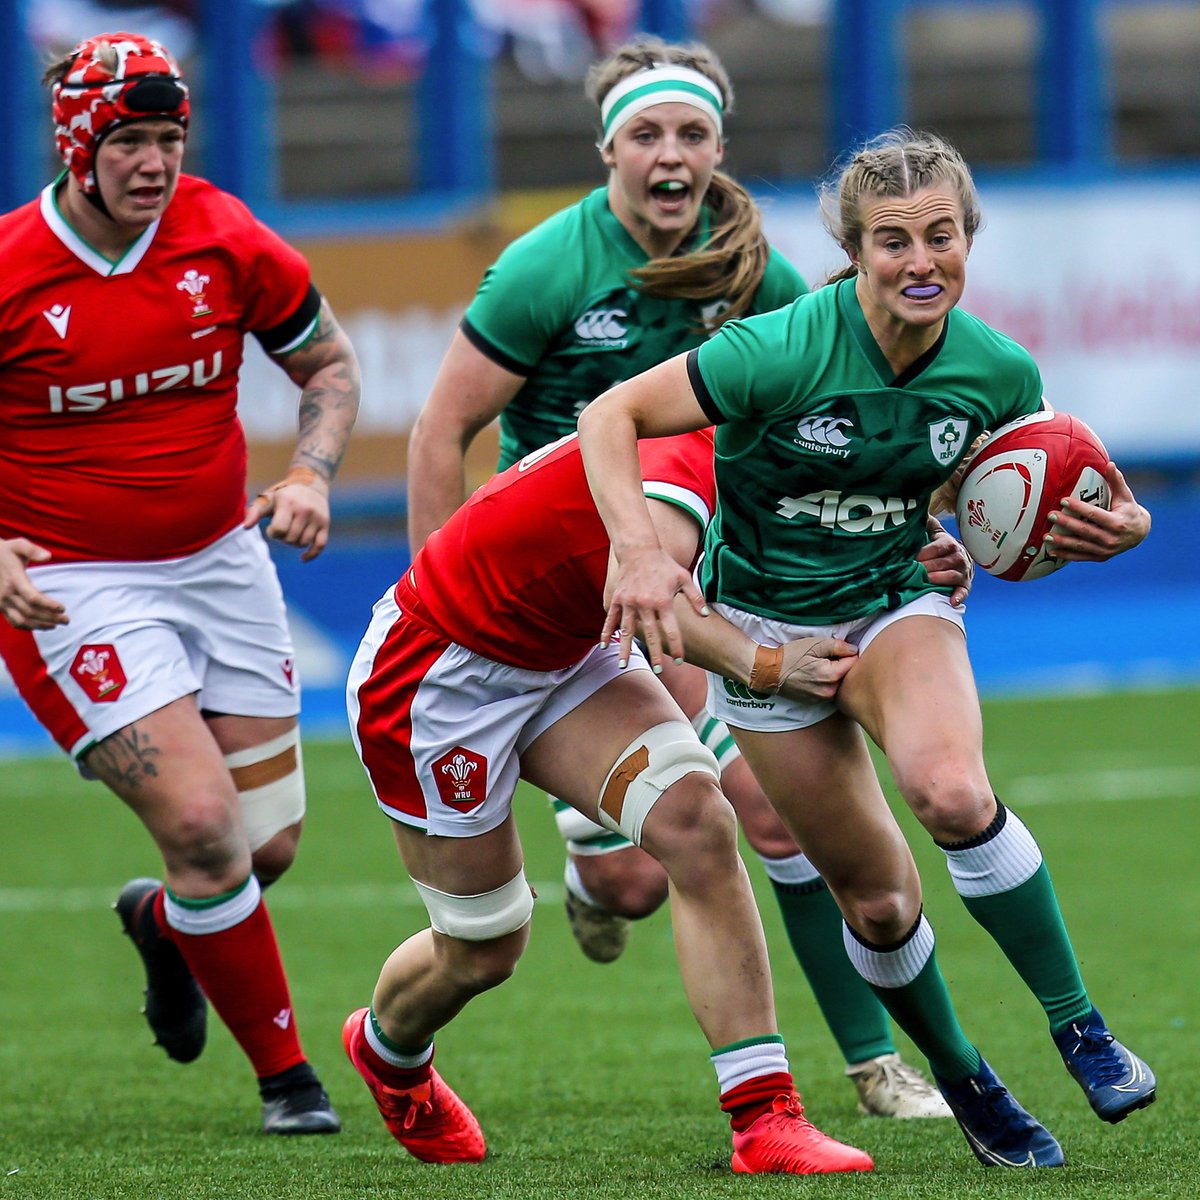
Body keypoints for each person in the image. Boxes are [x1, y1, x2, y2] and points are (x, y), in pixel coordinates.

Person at [576, 127, 1157, 1169]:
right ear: (854, 252)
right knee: (881, 904)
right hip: (764, 631)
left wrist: (1123, 525)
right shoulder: (779, 349)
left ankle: (1083, 1031)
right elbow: (610, 414)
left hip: (895, 605)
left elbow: (1048, 476)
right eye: (893, 241)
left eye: (941, 236)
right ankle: (966, 1079)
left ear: (969, 238)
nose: (921, 261)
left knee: (952, 795)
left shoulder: (997, 368)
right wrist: (637, 552)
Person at [405, 34, 955, 1119]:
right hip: (559, 586)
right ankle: (593, 869)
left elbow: (852, 407)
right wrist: (435, 604)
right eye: (648, 134)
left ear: (718, 149)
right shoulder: (548, 268)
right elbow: (439, 433)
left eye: (693, 133)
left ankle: (871, 1064)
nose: (671, 155)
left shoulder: (757, 271)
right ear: (609, 150)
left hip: (689, 580)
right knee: (632, 882)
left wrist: (926, 528)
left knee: (769, 816)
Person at [0, 32, 360, 1134]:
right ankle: (290, 1084)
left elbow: (328, 363)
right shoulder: (12, 267)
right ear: (77, 146)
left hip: (221, 560)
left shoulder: (224, 235)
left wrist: (310, 472)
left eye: (169, 137)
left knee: (264, 846)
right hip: (69, 582)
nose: (154, 162)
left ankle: (166, 922)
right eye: (128, 141)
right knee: (206, 826)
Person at [345, 425, 874, 1174]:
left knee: (697, 822)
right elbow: (648, 596)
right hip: (439, 675)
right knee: (484, 947)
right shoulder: (691, 454)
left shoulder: (791, 441)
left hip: (566, 653)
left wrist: (919, 558)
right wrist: (766, 664)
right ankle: (389, 1055)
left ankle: (764, 1120)